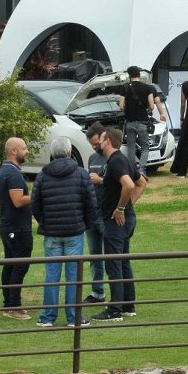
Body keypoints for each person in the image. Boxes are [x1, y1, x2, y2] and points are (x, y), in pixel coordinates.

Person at [31, 137, 96, 328]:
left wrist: (44, 223)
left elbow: (35, 205)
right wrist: (85, 224)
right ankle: (73, 317)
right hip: (74, 231)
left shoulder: (42, 175)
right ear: (69, 152)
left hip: (52, 232)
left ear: (52, 154)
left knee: (52, 275)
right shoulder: (81, 174)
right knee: (73, 276)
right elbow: (91, 203)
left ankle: (47, 317)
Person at [91, 127, 147, 322]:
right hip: (125, 220)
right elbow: (142, 183)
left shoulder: (115, 161)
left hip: (116, 222)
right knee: (123, 262)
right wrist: (128, 206)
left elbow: (130, 185)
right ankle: (128, 305)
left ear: (107, 141)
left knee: (114, 264)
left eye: (101, 139)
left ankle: (114, 310)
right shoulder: (123, 159)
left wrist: (121, 208)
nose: (98, 143)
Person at [0, 137, 33, 321]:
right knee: (19, 265)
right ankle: (14, 306)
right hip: (17, 228)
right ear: (14, 151)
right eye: (24, 148)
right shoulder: (13, 174)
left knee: (10, 264)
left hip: (9, 226)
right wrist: (37, 195)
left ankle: (9, 303)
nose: (27, 151)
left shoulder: (5, 171)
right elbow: (18, 201)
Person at [83, 122, 108, 305]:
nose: (94, 147)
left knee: (113, 256)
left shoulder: (115, 157)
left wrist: (100, 180)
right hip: (92, 214)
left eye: (96, 143)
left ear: (104, 137)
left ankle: (120, 295)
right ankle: (97, 293)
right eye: (91, 144)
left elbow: (122, 183)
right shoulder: (92, 159)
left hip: (107, 214)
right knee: (94, 256)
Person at [119, 66, 154, 176]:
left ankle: (132, 170)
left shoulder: (125, 87)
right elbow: (152, 106)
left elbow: (121, 106)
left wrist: (128, 108)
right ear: (139, 75)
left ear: (129, 76)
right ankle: (142, 169)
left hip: (130, 122)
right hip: (143, 122)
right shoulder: (148, 87)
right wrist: (146, 110)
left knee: (131, 147)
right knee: (145, 148)